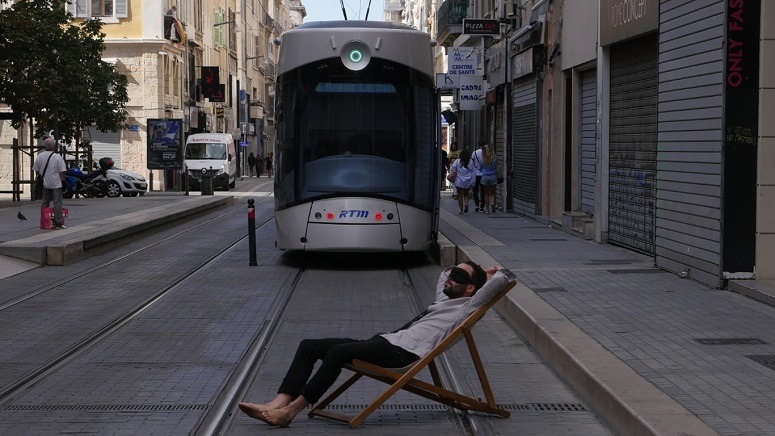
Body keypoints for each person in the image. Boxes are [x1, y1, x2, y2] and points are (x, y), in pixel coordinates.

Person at [238, 262, 516, 428]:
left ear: (471, 290)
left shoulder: (468, 306)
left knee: (337, 353)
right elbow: (445, 274)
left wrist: (490, 274)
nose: (451, 277)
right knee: (309, 345)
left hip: (401, 353)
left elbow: (504, 278)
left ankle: (291, 410)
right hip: (384, 341)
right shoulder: (446, 298)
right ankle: (277, 403)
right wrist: (471, 267)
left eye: (460, 277)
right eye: (455, 272)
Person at [32, 138, 68, 229]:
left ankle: (44, 222)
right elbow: (62, 173)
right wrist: (64, 185)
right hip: (56, 184)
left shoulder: (40, 156)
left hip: (45, 184)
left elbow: (36, 170)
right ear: (54, 146)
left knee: (44, 203)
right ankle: (58, 222)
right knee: (57, 203)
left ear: (45, 146)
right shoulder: (57, 157)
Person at [449, 147, 475, 214]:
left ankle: (461, 210)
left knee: (459, 195)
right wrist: (472, 181)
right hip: (468, 181)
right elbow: (473, 172)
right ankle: (466, 203)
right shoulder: (471, 161)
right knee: (466, 194)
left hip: (459, 181)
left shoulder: (458, 161)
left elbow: (452, 168)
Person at [479, 144, 498, 214]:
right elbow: (496, 166)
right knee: (492, 193)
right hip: (493, 176)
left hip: (485, 177)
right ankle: (492, 203)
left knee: (486, 194)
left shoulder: (482, 159)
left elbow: (480, 168)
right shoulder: (494, 157)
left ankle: (487, 210)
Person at [471, 140, 486, 212]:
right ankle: (482, 206)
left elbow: (472, 162)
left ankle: (477, 205)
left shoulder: (474, 153)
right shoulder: (486, 153)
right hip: (484, 174)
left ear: (478, 145)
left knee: (475, 190)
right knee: (483, 190)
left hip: (476, 174)